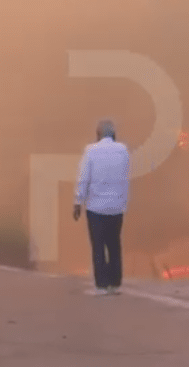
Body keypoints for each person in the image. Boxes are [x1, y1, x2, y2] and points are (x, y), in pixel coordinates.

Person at [73, 119, 131, 296]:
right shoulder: (123, 151)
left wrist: (78, 202)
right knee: (114, 244)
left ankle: (101, 285)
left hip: (96, 208)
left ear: (98, 134)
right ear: (114, 134)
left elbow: (83, 178)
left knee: (98, 245)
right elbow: (125, 176)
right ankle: (115, 283)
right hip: (116, 208)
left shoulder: (90, 151)